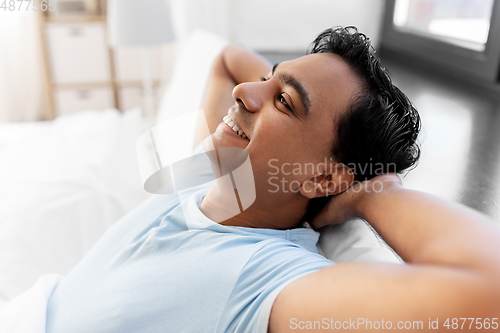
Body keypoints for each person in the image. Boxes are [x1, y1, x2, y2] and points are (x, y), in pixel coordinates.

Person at [44, 27, 500, 332]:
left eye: (284, 101)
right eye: (266, 78)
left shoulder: (264, 278)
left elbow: (489, 291)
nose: (244, 91)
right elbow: (227, 60)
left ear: (323, 178)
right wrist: (282, 93)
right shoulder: (202, 171)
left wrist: (373, 193)